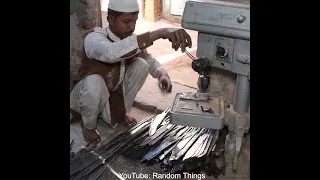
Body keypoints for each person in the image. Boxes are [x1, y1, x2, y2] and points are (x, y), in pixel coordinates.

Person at [70, 0, 192, 144]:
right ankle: (88, 126)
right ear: (110, 19)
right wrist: (160, 32)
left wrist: (162, 75)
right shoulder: (94, 38)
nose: (132, 26)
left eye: (134, 21)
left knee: (142, 64)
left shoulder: (131, 41)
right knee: (95, 81)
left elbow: (149, 60)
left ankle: (121, 114)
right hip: (85, 97)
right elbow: (111, 53)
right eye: (127, 21)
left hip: (110, 97)